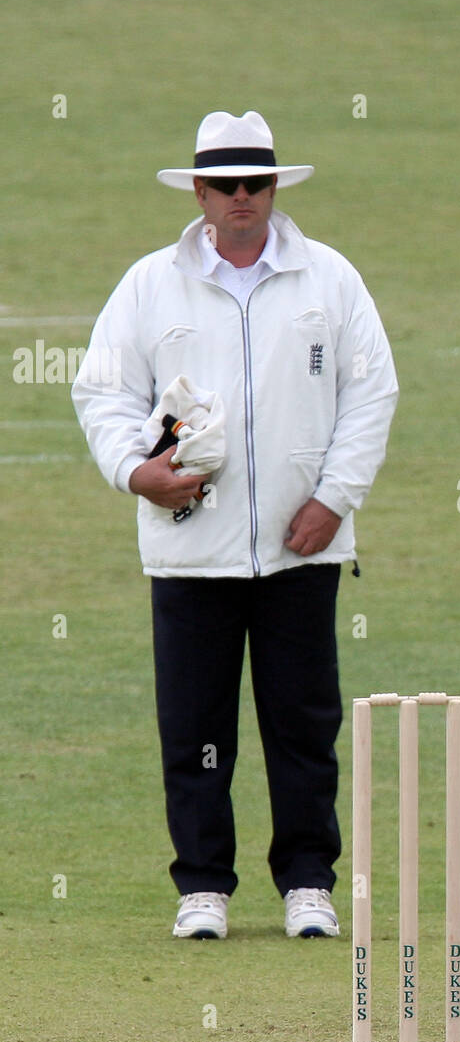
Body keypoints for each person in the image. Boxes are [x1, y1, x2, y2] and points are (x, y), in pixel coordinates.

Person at [72, 110, 398, 940]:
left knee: (303, 724)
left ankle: (308, 883)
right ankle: (203, 886)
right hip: (190, 547)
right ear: (200, 191)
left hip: (301, 546)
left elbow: (371, 394)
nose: (242, 198)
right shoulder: (150, 284)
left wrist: (334, 498)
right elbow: (103, 391)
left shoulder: (329, 279)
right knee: (194, 726)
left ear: (275, 187)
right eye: (225, 185)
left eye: (256, 183)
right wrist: (135, 471)